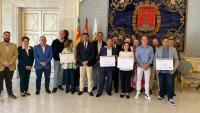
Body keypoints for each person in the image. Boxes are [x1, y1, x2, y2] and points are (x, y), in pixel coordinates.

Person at [154, 37, 179, 106]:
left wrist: (174, 68)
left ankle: (170, 98)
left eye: (167, 41)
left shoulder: (173, 49)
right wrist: (155, 67)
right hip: (160, 71)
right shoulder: (158, 49)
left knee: (169, 84)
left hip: (169, 71)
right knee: (161, 84)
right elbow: (155, 59)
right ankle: (161, 96)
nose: (166, 42)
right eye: (164, 41)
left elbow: (177, 60)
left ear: (168, 42)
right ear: (162, 42)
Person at [0, 31, 18, 99]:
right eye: (6, 35)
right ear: (3, 36)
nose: (7, 37)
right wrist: (4, 62)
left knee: (9, 81)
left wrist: (10, 62)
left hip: (11, 66)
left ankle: (10, 93)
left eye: (8, 36)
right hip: (1, 66)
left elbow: (16, 55)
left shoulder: (14, 45)